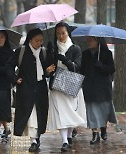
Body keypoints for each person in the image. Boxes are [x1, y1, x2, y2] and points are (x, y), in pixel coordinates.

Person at [6, 28, 54, 152]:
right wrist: (15, 78)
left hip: (41, 89)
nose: (39, 43)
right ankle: (33, 140)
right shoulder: (21, 51)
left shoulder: (44, 52)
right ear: (30, 40)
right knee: (31, 114)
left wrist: (49, 70)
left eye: (41, 41)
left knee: (40, 114)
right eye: (36, 41)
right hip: (26, 89)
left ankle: (37, 137)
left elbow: (48, 70)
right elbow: (9, 66)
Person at [47, 22, 87, 152]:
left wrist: (65, 60)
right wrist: (49, 69)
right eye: (58, 33)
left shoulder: (75, 48)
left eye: (63, 33)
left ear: (68, 33)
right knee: (61, 114)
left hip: (71, 85)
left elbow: (77, 67)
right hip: (56, 86)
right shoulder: (52, 48)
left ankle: (69, 136)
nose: (61, 36)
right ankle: (64, 140)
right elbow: (48, 67)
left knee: (69, 112)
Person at [80, 36, 117, 144]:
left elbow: (111, 68)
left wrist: (101, 66)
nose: (88, 42)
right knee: (91, 110)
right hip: (90, 86)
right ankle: (95, 133)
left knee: (103, 109)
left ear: (97, 40)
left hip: (103, 87)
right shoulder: (85, 54)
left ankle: (103, 128)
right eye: (87, 40)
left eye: (90, 40)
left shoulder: (106, 53)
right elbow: (82, 69)